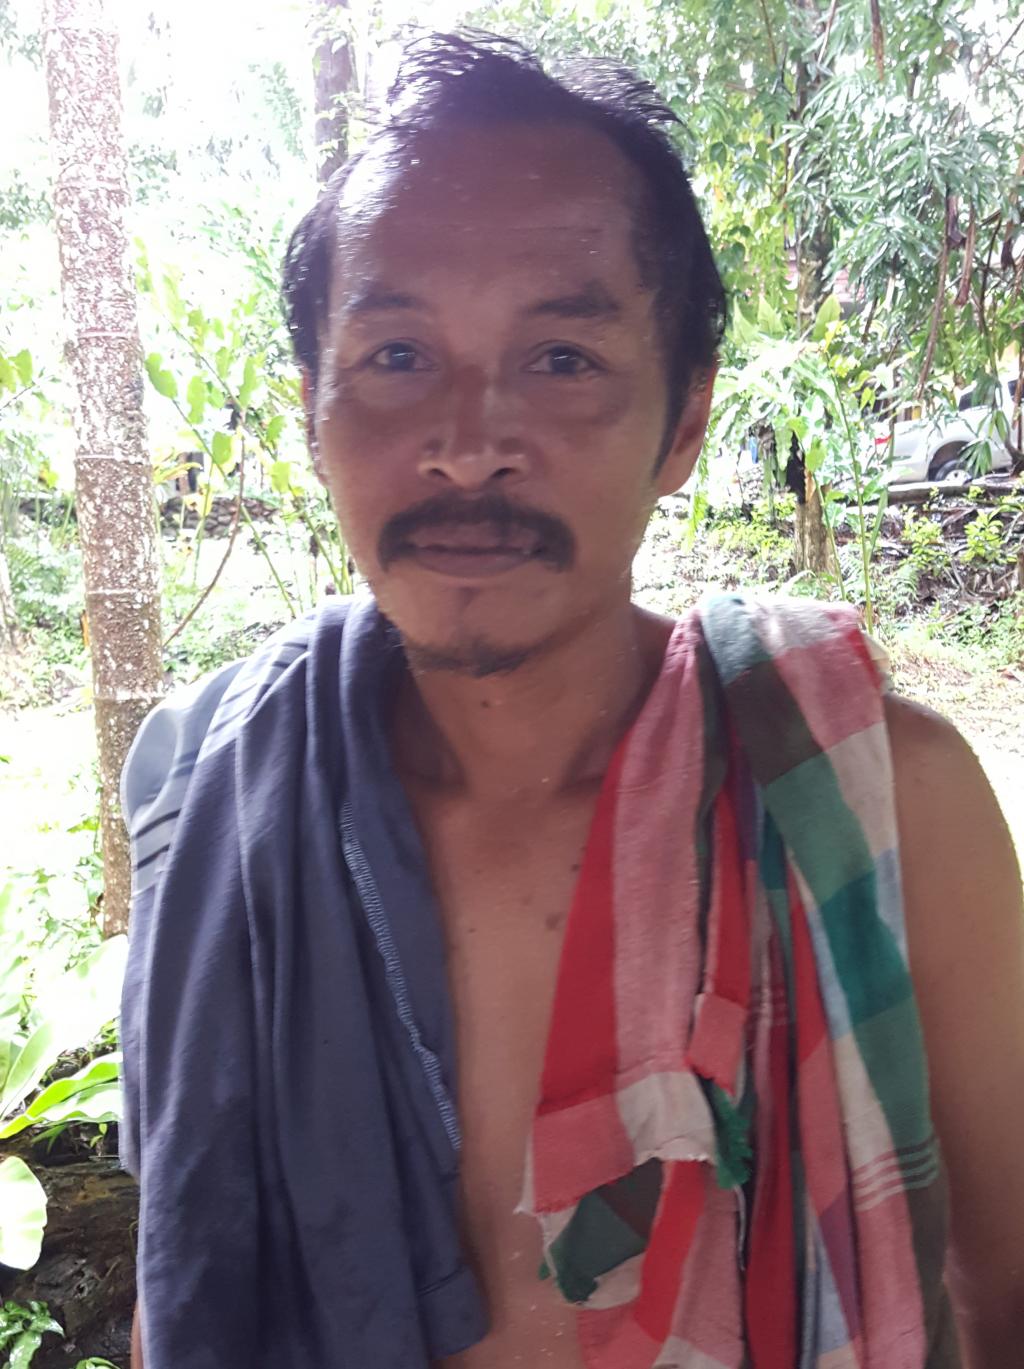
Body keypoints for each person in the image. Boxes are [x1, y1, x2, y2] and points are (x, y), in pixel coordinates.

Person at [121, 31, 1024, 1369]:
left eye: (561, 359)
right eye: (396, 355)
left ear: (684, 424)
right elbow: (191, 1259)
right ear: (311, 411)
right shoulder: (222, 800)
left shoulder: (874, 799)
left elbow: (1007, 1281)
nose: (468, 444)